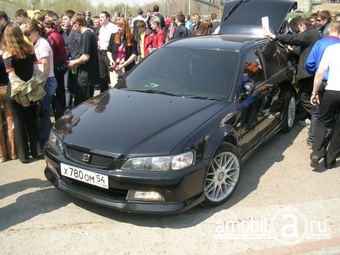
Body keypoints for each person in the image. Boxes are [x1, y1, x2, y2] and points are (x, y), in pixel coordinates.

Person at [265, 16, 321, 131]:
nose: (296, 31)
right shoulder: (314, 34)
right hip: (311, 71)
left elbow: (294, 38)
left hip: (308, 72)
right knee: (307, 96)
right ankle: (311, 117)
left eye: (296, 28)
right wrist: (291, 49)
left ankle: (318, 118)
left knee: (304, 97)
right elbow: (303, 51)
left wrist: (275, 37)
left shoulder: (309, 34)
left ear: (302, 26)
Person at [3, 24, 46, 163]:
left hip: (15, 93)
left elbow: (13, 78)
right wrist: (29, 92)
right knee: (31, 122)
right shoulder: (30, 50)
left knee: (19, 122)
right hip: (30, 90)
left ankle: (23, 155)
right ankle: (37, 151)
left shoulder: (8, 54)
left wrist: (22, 96)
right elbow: (35, 72)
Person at [305, 21, 340, 150]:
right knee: (333, 116)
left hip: (321, 82)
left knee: (318, 113)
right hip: (335, 85)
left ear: (330, 29)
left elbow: (309, 63)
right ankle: (325, 143)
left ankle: (312, 141)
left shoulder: (320, 43)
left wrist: (313, 74)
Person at [23, 20, 58, 148]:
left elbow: (46, 68)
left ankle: (45, 142)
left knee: (44, 113)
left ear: (36, 32)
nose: (28, 37)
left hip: (46, 81)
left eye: (29, 34)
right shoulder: (38, 44)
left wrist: (40, 89)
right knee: (44, 112)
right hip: (44, 81)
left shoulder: (43, 45)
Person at [310, 42, 340, 169]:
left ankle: (316, 152)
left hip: (332, 90)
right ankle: (330, 160)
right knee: (339, 129)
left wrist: (314, 92)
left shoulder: (332, 49)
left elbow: (320, 73)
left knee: (323, 122)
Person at [68, 13, 99, 105]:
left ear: (77, 23)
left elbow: (85, 57)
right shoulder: (90, 33)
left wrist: (74, 63)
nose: (72, 28)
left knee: (84, 103)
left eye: (72, 25)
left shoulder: (86, 35)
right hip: (89, 75)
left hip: (86, 76)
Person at [0, 27, 17, 163]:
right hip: (7, 88)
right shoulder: (6, 53)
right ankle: (13, 152)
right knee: (11, 120)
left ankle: (2, 155)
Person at [45, 20, 68, 120]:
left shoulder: (50, 38)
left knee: (56, 92)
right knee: (61, 90)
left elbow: (51, 55)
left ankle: (59, 114)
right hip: (62, 65)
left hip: (56, 67)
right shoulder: (58, 34)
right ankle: (62, 110)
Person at [107, 17, 138, 86]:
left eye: (121, 26)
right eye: (118, 26)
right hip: (115, 67)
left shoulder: (132, 37)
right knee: (114, 88)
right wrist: (111, 60)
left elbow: (134, 53)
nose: (119, 28)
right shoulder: (113, 36)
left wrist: (124, 65)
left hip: (127, 67)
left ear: (126, 26)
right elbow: (108, 50)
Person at [62, 10, 81, 111]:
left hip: (76, 64)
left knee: (77, 87)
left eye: (65, 19)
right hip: (66, 64)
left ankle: (77, 109)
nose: (63, 21)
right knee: (67, 87)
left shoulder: (77, 33)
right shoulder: (62, 33)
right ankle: (67, 109)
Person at [98, 11, 117, 92]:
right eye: (100, 17)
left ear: (108, 18)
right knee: (102, 75)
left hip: (109, 53)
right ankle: (104, 93)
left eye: (102, 17)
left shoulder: (113, 28)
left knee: (112, 75)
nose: (100, 19)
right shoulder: (101, 28)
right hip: (101, 53)